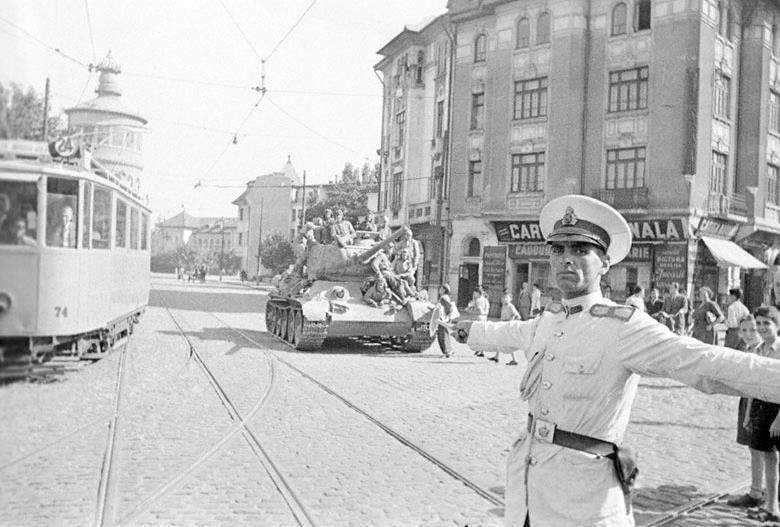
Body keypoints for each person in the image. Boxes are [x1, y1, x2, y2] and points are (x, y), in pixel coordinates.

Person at [452, 194, 780, 527]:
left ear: (605, 263)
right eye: (558, 249)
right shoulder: (548, 320)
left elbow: (704, 362)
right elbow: (506, 333)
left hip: (585, 497)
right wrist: (466, 329)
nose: (567, 259)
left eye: (581, 250)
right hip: (528, 485)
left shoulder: (623, 327)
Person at [740, 307, 780, 522]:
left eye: (767, 323)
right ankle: (771, 507)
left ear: (777, 325)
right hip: (762, 408)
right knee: (769, 459)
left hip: (778, 411)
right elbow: (753, 386)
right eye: (759, 324)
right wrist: (748, 415)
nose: (762, 328)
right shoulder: (758, 350)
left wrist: (779, 419)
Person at [727, 314, 765, 509]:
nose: (748, 334)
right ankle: (760, 488)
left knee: (759, 448)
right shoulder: (747, 349)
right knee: (756, 448)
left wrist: (748, 414)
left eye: (753, 330)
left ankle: (757, 491)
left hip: (757, 403)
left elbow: (754, 387)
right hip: (749, 400)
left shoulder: (761, 351)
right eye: (744, 330)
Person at [488, 292, 521, 365]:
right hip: (502, 324)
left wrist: (511, 322)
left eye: (507, 298)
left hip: (507, 325)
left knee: (508, 343)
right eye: (503, 298)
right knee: (499, 340)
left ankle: (514, 359)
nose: (505, 299)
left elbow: (518, 316)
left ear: (510, 299)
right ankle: (496, 356)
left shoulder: (511, 306)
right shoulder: (503, 306)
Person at [436, 284, 457, 358]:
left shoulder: (443, 298)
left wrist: (446, 317)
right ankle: (449, 350)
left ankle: (446, 352)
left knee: (442, 335)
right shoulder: (446, 297)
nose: (439, 290)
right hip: (446, 318)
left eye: (441, 288)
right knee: (445, 334)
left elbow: (449, 308)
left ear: (444, 290)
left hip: (443, 318)